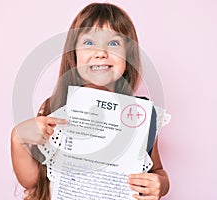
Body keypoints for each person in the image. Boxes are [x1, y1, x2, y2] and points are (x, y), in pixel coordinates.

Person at [11, 3, 169, 200]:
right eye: (88, 43)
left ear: (128, 56)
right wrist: (18, 139)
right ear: (74, 54)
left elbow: (158, 170)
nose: (101, 53)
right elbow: (34, 181)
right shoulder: (55, 108)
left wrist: (161, 184)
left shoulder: (139, 115)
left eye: (113, 44)